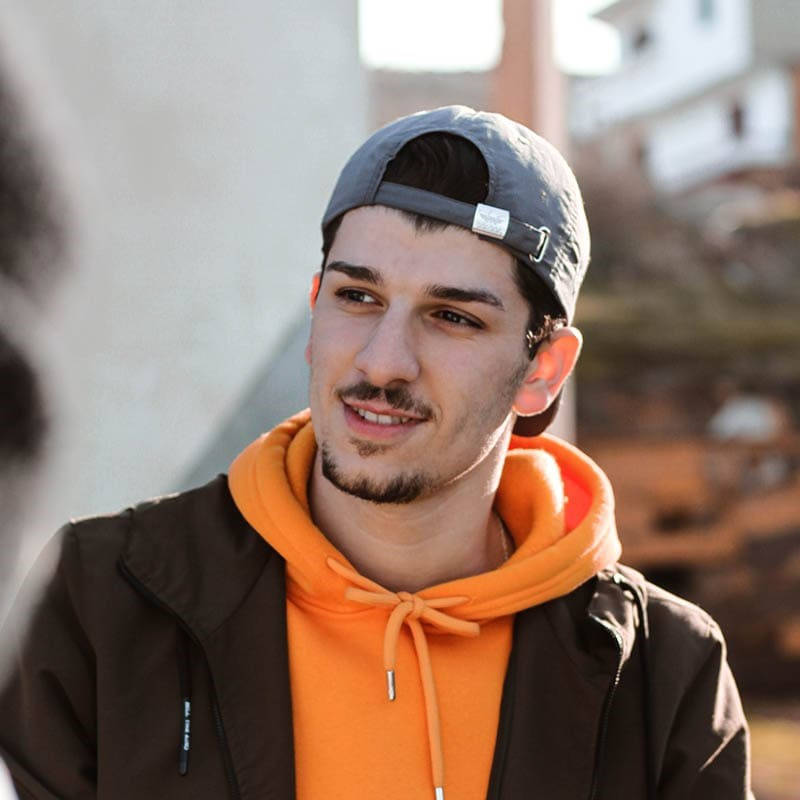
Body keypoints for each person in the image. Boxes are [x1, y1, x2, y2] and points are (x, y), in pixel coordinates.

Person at [0, 106, 752, 800]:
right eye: (357, 297)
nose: (383, 362)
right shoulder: (100, 601)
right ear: (315, 309)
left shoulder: (662, 674)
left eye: (452, 317)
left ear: (543, 371)